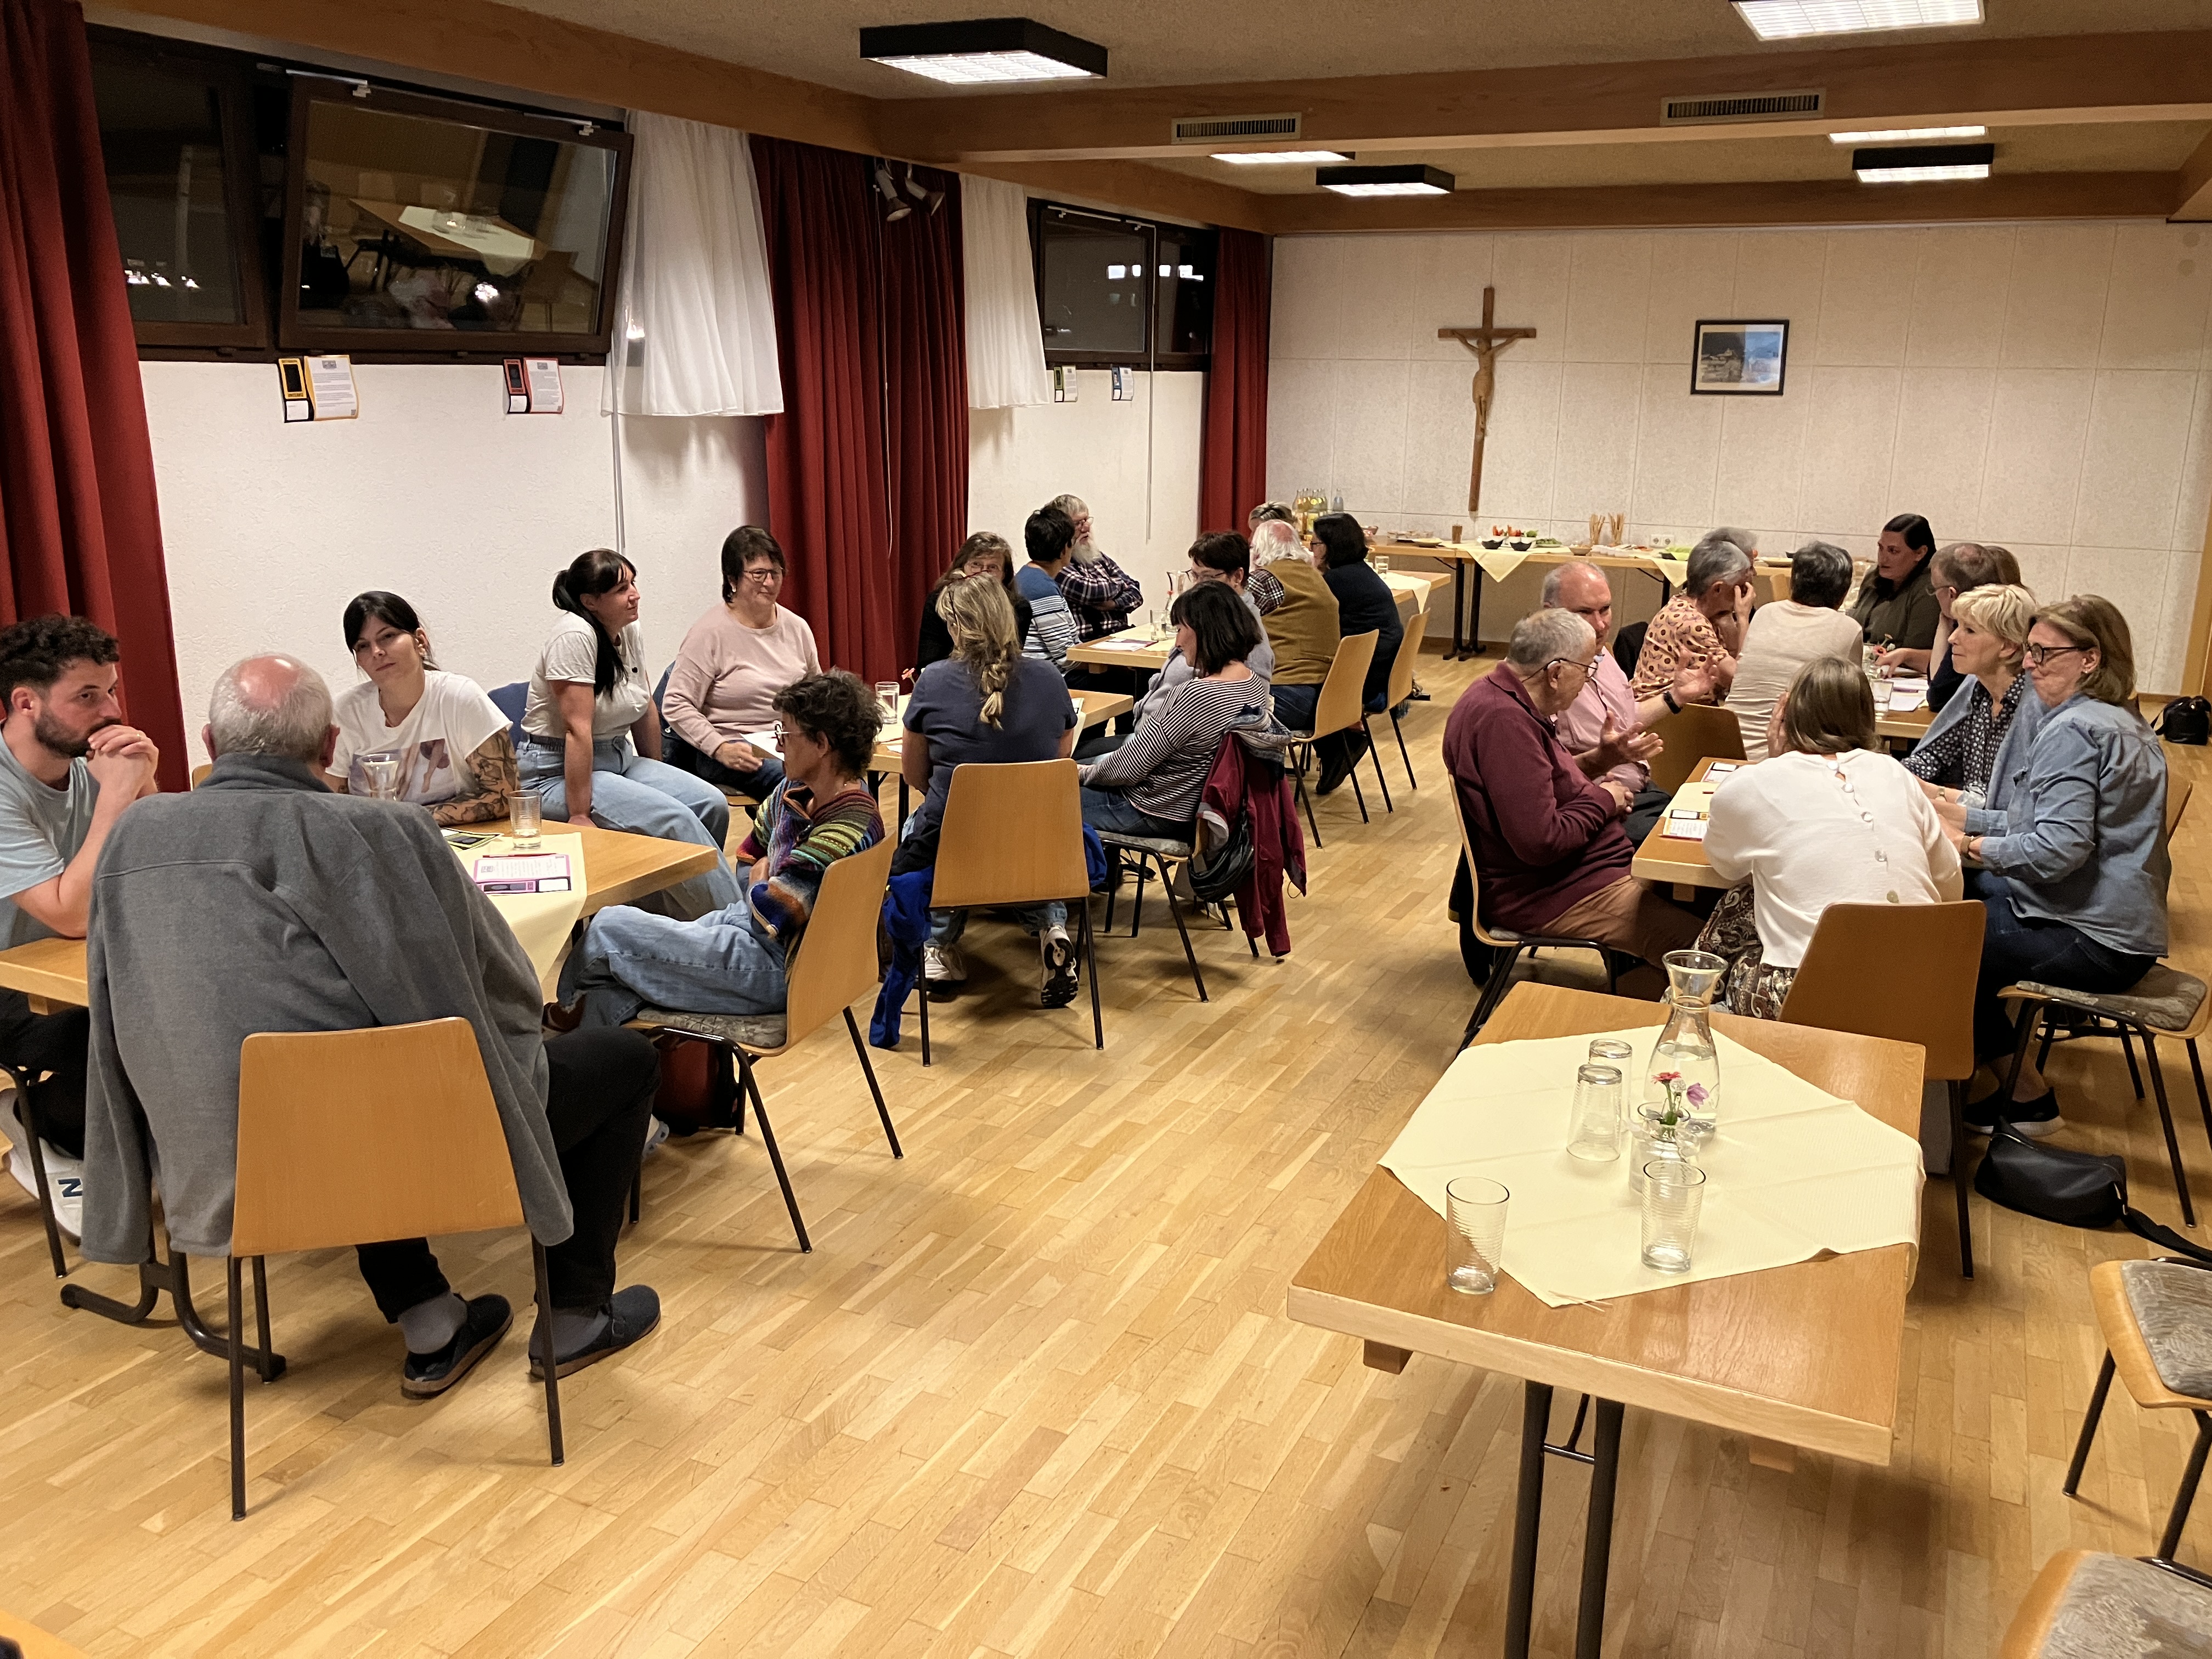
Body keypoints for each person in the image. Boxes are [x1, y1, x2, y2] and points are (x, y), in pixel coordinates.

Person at [82, 655, 663, 1389]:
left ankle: (431, 1318)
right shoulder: (382, 830)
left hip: (223, 1164)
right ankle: (576, 1316)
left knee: (333, 1054)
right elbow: (504, 982)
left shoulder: (132, 838)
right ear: (332, 746)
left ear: (207, 742)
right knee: (619, 1059)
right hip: (375, 1148)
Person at [1941, 597, 2169, 1137]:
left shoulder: (2073, 730)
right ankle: (1992, 1080)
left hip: (2095, 938)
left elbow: (2057, 850)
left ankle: (2027, 1101)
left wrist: (1969, 845)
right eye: (2029, 651)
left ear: (2090, 659)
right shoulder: (2122, 720)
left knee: (1938, 947)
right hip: (2122, 929)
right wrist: (1963, 817)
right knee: (1968, 906)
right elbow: (2043, 822)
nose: (2028, 663)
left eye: (2044, 653)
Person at [559, 672, 886, 1030]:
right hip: (749, 927)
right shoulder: (795, 792)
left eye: (786, 735)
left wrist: (761, 881)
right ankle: (581, 1043)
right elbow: (748, 857)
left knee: (609, 927)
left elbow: (774, 911)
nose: (778, 747)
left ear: (821, 744)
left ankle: (563, 1015)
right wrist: (762, 884)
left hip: (781, 967)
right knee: (617, 984)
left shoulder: (847, 827)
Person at [0, 617, 160, 1241]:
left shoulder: (86, 765)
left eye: (111, 690)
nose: (111, 711)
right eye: (87, 696)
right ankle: (41, 1120)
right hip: (9, 983)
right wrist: (118, 796)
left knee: (203, 1005)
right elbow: (68, 914)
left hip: (66, 969)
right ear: (26, 703)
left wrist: (142, 784)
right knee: (140, 1035)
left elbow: (158, 870)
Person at [1698, 658, 1962, 1018]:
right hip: (1924, 995)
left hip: (1818, 998)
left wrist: (1773, 761)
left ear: (1787, 716)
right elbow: (1950, 885)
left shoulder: (1752, 784)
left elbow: (1726, 867)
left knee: (1742, 905)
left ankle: (1685, 1009)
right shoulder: (1894, 772)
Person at [1444, 608, 1703, 971]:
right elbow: (1542, 841)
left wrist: (1601, 760)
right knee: (1705, 949)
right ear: (1555, 674)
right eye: (1586, 670)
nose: (1588, 680)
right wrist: (1605, 800)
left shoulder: (1504, 697)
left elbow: (1536, 784)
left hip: (1582, 874)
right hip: (1557, 892)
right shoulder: (1503, 722)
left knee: (1707, 902)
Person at [516, 549, 738, 919]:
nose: (635, 595)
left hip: (616, 758)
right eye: (622, 589)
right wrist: (579, 813)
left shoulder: (628, 629)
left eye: (633, 583)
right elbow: (577, 730)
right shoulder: (573, 636)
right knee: (675, 820)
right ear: (591, 602)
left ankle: (680, 922)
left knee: (710, 803)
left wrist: (659, 773)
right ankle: (736, 928)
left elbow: (644, 705)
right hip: (557, 773)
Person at [898, 579, 1081, 1005]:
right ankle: (1052, 928)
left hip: (956, 840)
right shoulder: (1049, 677)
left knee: (923, 824)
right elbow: (1059, 762)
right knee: (1024, 829)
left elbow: (913, 773)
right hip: (1037, 840)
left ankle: (937, 947)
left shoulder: (933, 680)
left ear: (957, 627)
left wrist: (962, 794)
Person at [1079, 582, 1282, 841]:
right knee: (1082, 763)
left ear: (1203, 630)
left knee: (1043, 793)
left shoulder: (1196, 695)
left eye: (1180, 630)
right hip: (1197, 808)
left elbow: (1129, 768)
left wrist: (1081, 773)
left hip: (1156, 810)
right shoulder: (1252, 683)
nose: (1177, 643)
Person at [1543, 560, 1714, 842]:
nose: (1600, 624)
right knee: (1699, 846)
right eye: (1584, 612)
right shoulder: (1543, 677)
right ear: (1550, 613)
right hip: (1601, 807)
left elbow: (1625, 720)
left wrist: (1675, 697)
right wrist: (1602, 764)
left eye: (1605, 609)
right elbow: (1543, 777)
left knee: (1720, 823)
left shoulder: (1602, 655)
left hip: (1644, 791)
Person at [662, 526, 821, 805]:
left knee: (847, 783)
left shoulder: (797, 627)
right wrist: (719, 747)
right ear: (733, 579)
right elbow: (676, 703)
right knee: (803, 789)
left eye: (776, 573)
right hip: (733, 748)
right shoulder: (709, 633)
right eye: (758, 574)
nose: (769, 583)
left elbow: (816, 694)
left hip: (788, 742)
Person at [329, 591, 517, 825]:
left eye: (388, 636)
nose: (377, 651)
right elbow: (330, 808)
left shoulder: (459, 697)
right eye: (363, 646)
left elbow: (506, 796)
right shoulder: (345, 712)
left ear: (419, 641)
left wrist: (410, 820)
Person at [1902, 583, 2044, 809]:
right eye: (1957, 626)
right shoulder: (1976, 688)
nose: (1953, 638)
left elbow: (2019, 810)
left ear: (2008, 646)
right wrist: (1888, 773)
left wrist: (1938, 793)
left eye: (1969, 630)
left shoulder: (2037, 709)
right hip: (1969, 818)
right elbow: (1934, 756)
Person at [1724, 541, 1864, 761]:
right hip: (1785, 756)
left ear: (1794, 583)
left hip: (1725, 748)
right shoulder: (1848, 628)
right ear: (1844, 592)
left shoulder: (1765, 613)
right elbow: (1853, 704)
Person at [1125, 533, 1276, 729]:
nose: (1198, 585)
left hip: (1172, 742)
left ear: (1237, 577)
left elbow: (1252, 716)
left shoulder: (1246, 634)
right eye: (1195, 575)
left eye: (1207, 576)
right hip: (1151, 731)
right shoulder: (1212, 618)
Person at [1307, 512, 1402, 795]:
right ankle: (1341, 744)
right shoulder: (1359, 572)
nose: (1312, 550)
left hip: (1365, 678)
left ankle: (1341, 745)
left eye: (1315, 544)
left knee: (1299, 689)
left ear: (1330, 547)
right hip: (1381, 671)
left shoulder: (1338, 580)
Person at [1630, 531, 1753, 699]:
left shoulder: (1696, 607)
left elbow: (1731, 663)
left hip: (1686, 709)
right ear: (1717, 589)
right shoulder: (1690, 622)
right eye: (1741, 588)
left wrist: (1728, 623)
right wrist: (1743, 618)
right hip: (1663, 711)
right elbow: (1741, 678)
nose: (1746, 594)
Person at [1250, 515, 1339, 731]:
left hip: (1288, 696)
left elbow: (1226, 625)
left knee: (1210, 708)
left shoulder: (1264, 580)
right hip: (1331, 697)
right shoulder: (1315, 575)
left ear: (1258, 550)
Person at [1907, 542, 2021, 706]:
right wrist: (1945, 621)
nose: (1953, 638)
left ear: (1951, 594)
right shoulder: (1966, 624)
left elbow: (1939, 696)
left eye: (1935, 589)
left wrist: (1946, 623)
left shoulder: (1981, 624)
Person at [915, 533, 1031, 673]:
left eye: (993, 567)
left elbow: (1010, 660)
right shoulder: (938, 603)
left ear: (1005, 575)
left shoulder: (1019, 608)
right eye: (976, 565)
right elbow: (927, 662)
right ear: (962, 567)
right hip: (949, 678)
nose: (983, 573)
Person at [1049, 493, 1144, 642]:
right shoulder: (1057, 563)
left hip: (1120, 637)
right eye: (1078, 523)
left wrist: (1113, 604)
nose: (1086, 527)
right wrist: (1120, 584)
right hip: (1090, 643)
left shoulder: (1099, 558)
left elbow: (1136, 593)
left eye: (1086, 520)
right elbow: (1091, 592)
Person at [1850, 512, 1941, 652]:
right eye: (1881, 548)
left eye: (1893, 551)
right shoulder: (1873, 575)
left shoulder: (1930, 588)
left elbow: (1917, 650)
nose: (1883, 558)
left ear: (1920, 553)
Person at [1016, 505, 1081, 672]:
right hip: (1048, 677)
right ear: (1064, 549)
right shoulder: (1043, 590)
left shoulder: (1025, 576)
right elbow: (1066, 657)